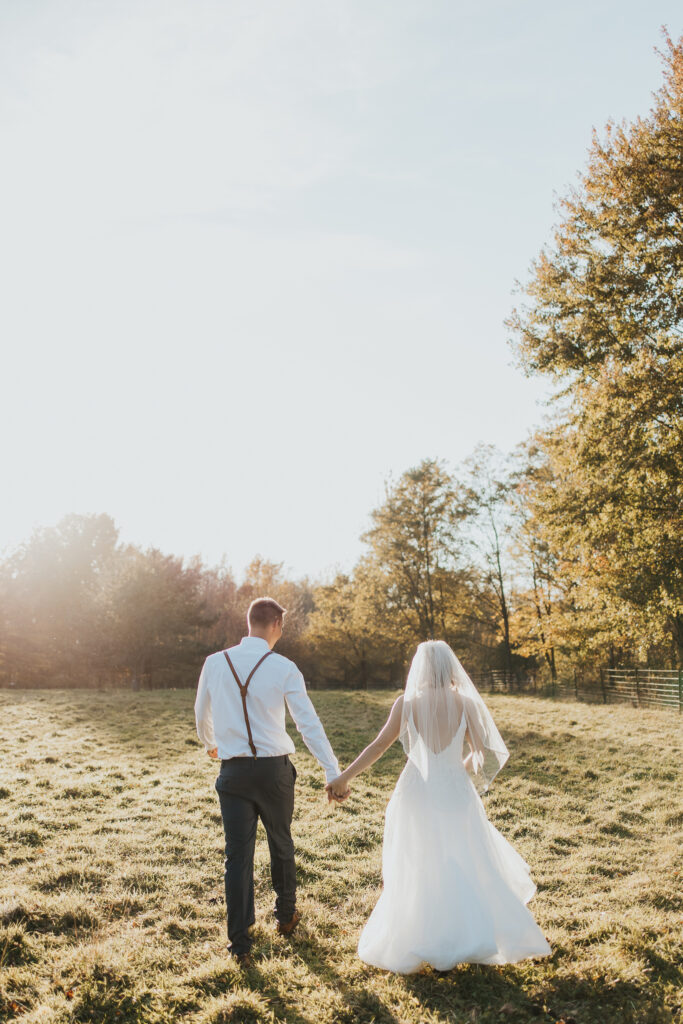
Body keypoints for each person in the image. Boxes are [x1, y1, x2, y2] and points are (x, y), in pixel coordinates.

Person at [326, 640, 552, 974]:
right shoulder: (466, 704)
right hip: (456, 793)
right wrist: (456, 769)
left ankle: (421, 935)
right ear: (450, 668)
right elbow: (480, 754)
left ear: (421, 668)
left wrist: (344, 777)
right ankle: (471, 934)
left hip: (415, 792)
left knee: (418, 861)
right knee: (463, 857)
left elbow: (378, 746)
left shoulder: (406, 704)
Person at [195, 596, 347, 966]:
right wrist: (332, 770)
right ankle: (285, 916)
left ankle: (240, 944)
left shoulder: (215, 663)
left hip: (232, 771)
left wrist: (212, 745)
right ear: (277, 623)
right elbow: (307, 724)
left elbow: (202, 714)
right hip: (275, 771)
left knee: (237, 856)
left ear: (250, 622)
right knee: (281, 840)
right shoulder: (284, 667)